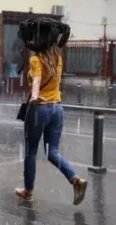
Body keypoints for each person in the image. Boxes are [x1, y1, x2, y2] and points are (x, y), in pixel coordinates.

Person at [14, 18, 87, 205]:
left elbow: (37, 80)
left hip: (40, 109)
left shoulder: (36, 60)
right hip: (57, 108)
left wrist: (35, 96)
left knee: (31, 152)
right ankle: (75, 179)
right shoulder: (58, 59)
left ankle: (28, 191)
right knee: (52, 152)